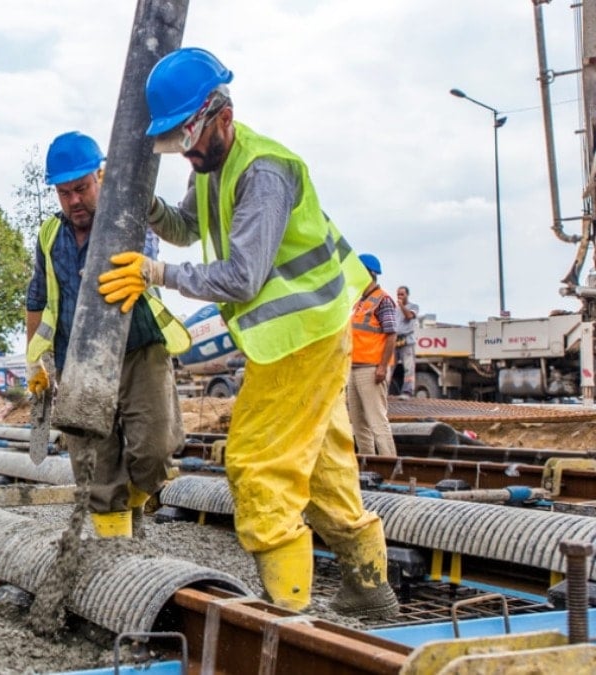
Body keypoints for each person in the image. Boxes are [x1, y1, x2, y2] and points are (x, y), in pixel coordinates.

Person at [96, 47, 398, 618]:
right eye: (174, 144)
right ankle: (370, 588)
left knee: (258, 461)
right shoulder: (214, 165)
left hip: (302, 337)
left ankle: (286, 609)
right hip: (299, 338)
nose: (185, 154)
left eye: (187, 140)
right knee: (325, 469)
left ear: (222, 117)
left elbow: (242, 276)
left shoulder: (262, 173)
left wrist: (157, 273)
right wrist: (148, 206)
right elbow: (188, 227)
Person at [26, 131, 191, 539]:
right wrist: (36, 361)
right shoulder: (50, 235)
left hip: (137, 349)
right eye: (64, 193)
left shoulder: (127, 219)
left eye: (81, 188)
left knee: (153, 451)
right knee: (95, 466)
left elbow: (150, 249)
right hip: (77, 361)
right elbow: (37, 297)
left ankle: (135, 497)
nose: (74, 200)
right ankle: (114, 551)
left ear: (100, 176)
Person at [348, 255, 398, 457]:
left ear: (368, 273)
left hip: (371, 369)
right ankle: (367, 467)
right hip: (354, 368)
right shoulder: (359, 302)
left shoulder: (382, 300)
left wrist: (382, 367)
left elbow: (391, 334)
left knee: (377, 422)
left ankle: (390, 465)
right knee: (359, 423)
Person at [394, 286, 419, 398]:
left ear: (407, 295)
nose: (399, 296)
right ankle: (383, 391)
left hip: (407, 342)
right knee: (389, 367)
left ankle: (407, 391)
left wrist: (402, 306)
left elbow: (409, 316)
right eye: (398, 294)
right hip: (395, 341)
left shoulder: (413, 307)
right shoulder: (394, 309)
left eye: (402, 294)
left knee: (408, 368)